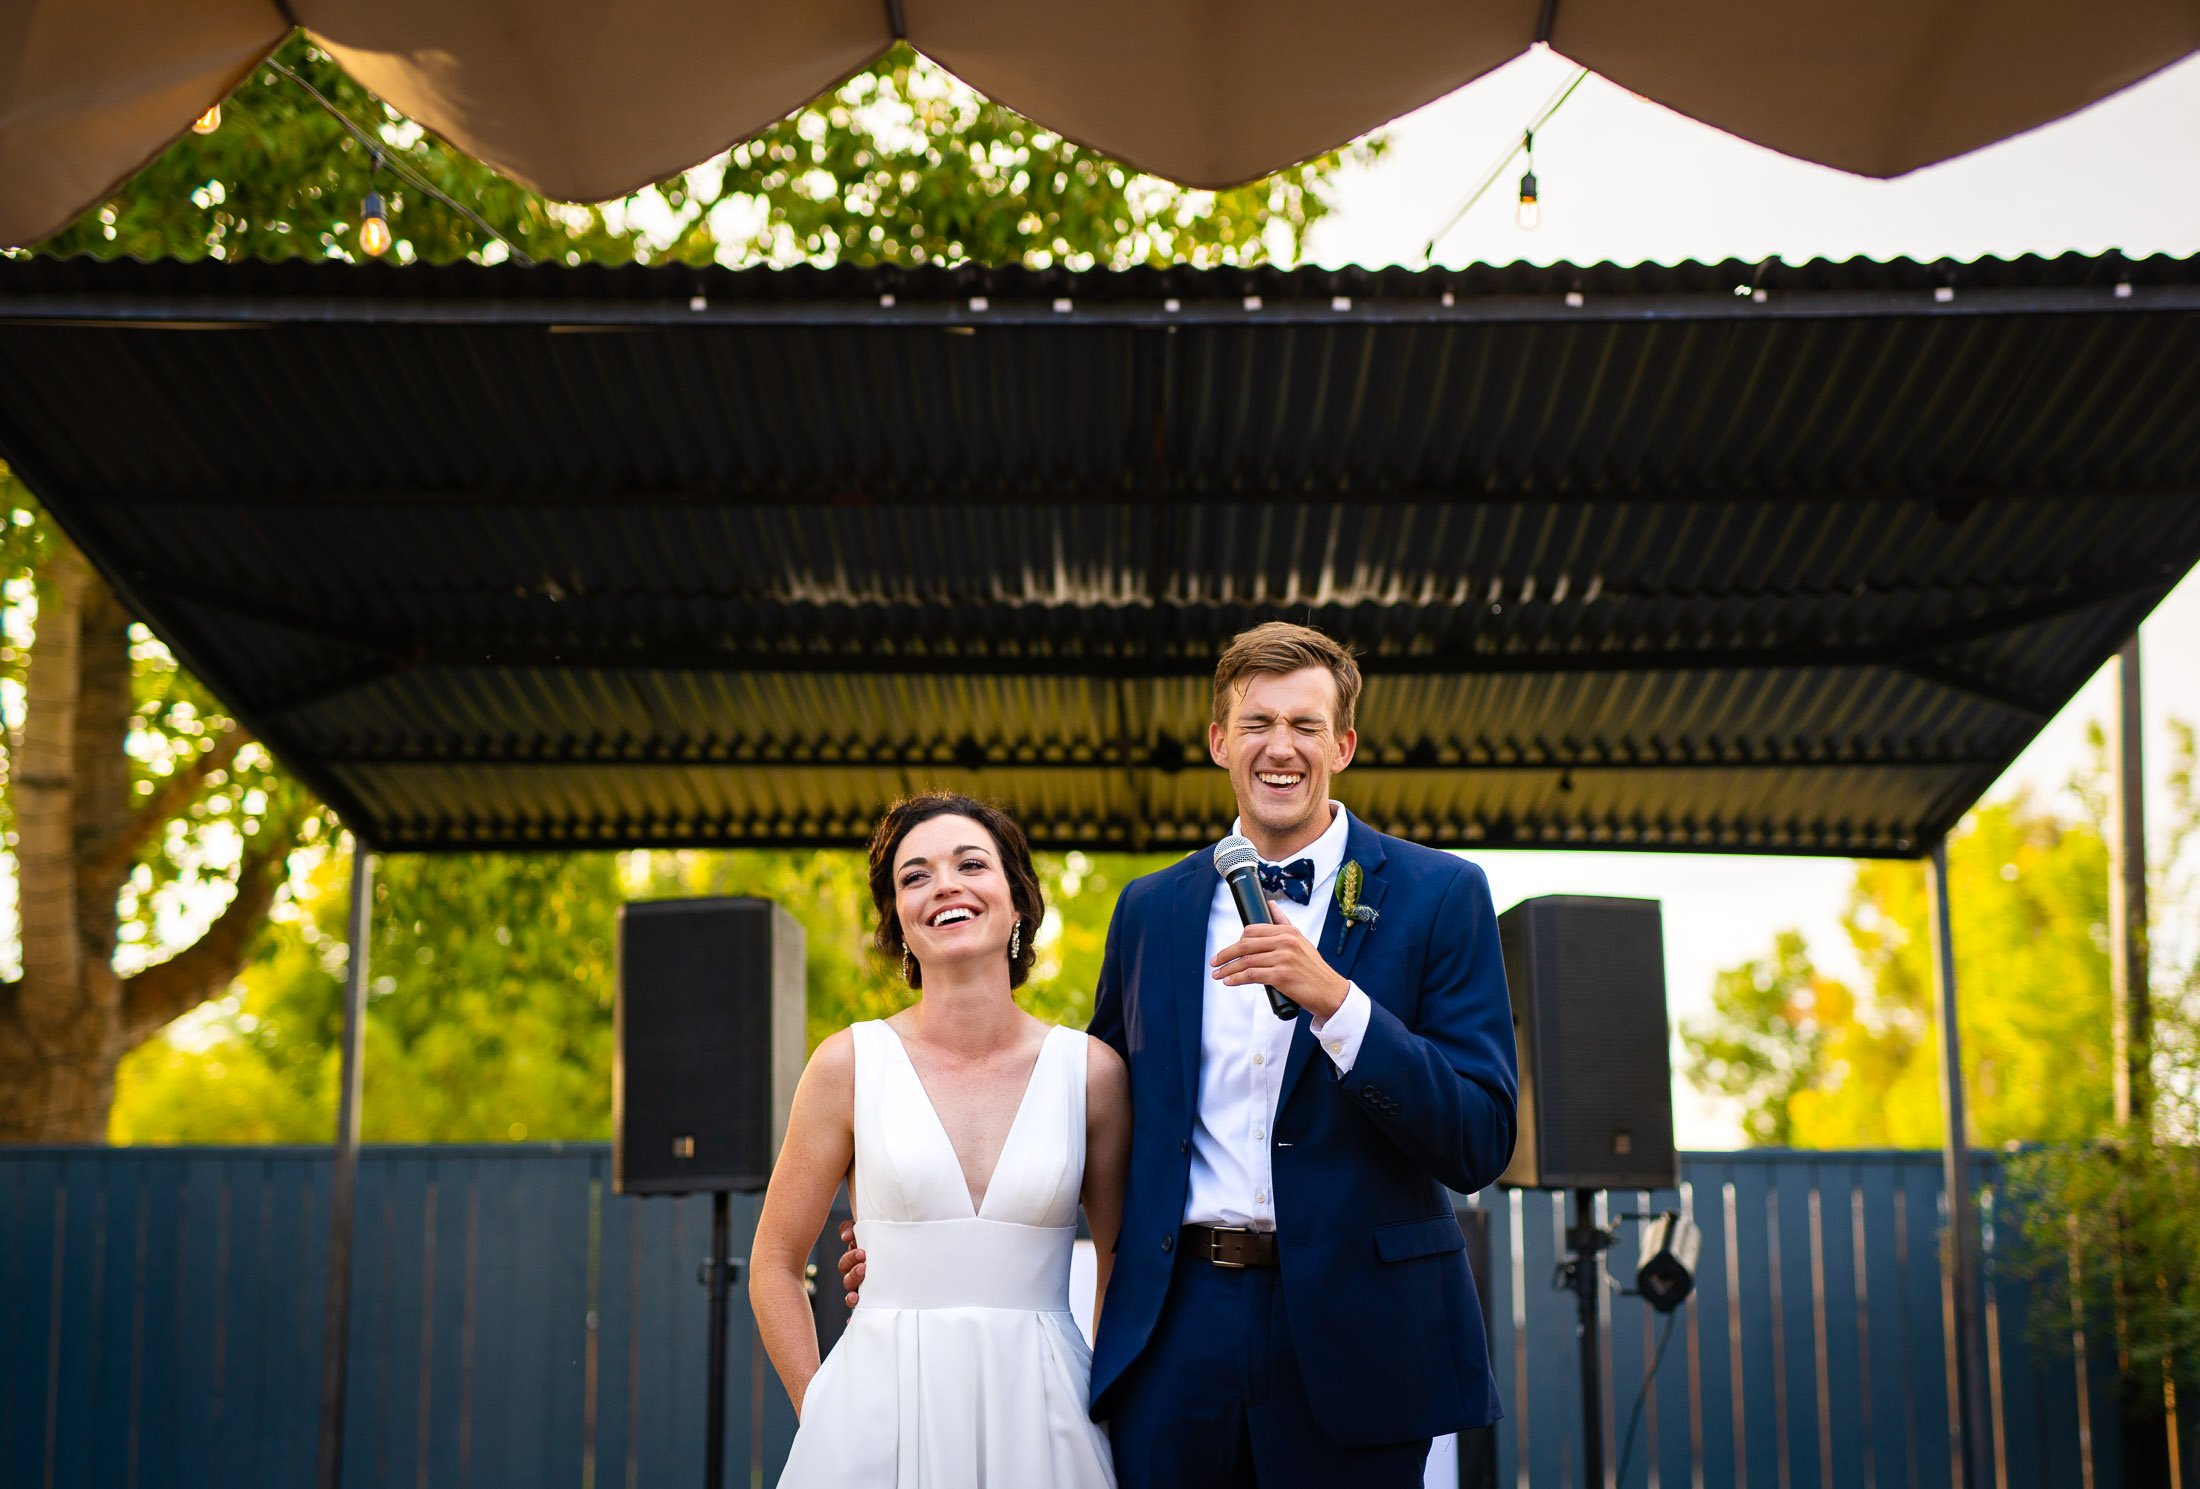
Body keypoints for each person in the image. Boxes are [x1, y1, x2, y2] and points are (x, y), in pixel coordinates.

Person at [843, 621, 1517, 1488]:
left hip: (1361, 1333)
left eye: (1306, 726)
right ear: (1218, 742)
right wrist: (929, 1228)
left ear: (1343, 744)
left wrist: (1339, 1005)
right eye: (1256, 724)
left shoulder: (1442, 893)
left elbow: (1480, 1137)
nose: (1281, 748)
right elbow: (1082, 1109)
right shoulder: (1151, 909)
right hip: (1175, 1327)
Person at [751, 791, 1129, 1489]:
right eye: (914, 875)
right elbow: (774, 1259)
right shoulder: (846, 1064)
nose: (944, 885)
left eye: (970, 863)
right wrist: (822, 1406)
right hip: (876, 1416)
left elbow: (1120, 1262)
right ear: (897, 918)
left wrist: (1111, 1409)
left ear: (1016, 899)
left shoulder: (1093, 1073)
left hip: (1050, 1413)